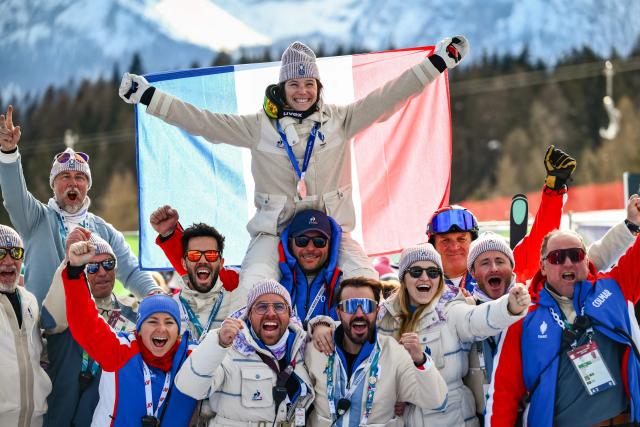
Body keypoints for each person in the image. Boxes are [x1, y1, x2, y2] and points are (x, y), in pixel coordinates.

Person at [119, 36, 470, 310]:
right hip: (274, 232)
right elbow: (204, 122)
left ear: (318, 87)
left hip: (331, 230)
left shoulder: (340, 121)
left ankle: (374, 355)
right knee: (252, 289)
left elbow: (388, 96)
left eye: (309, 84)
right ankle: (243, 361)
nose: (302, 91)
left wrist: (437, 62)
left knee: (365, 282)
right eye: (294, 84)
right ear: (282, 88)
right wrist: (150, 97)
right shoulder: (260, 126)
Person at [0, 105, 160, 304]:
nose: (73, 183)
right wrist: (8, 153)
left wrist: (160, 300)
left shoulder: (104, 231)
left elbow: (132, 272)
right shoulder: (36, 219)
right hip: (44, 330)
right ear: (54, 185)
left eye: (80, 177)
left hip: (89, 328)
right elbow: (15, 197)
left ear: (87, 186)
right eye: (65, 176)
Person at [486, 222, 640, 426]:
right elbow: (504, 393)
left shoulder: (614, 287)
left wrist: (634, 221)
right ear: (542, 266)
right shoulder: (523, 317)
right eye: (557, 257)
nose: (568, 263)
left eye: (575, 255)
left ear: (586, 260)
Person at [372, 244, 530, 426]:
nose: (425, 277)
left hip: (454, 418)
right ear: (403, 278)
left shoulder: (450, 310)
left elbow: (478, 318)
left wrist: (509, 306)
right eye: (416, 271)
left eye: (433, 272)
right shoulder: (384, 319)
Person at [62, 238, 197, 426]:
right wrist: (75, 271)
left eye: (169, 322)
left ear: (178, 331)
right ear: (139, 329)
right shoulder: (120, 351)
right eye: (152, 321)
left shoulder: (187, 356)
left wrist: (222, 341)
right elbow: (83, 321)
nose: (161, 329)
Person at [426, 145, 578, 293]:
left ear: (473, 243)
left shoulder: (498, 272)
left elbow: (538, 245)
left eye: (461, 239)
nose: (454, 247)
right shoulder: (420, 282)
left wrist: (554, 189)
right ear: (433, 246)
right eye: (445, 240)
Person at [305, 276, 448, 426]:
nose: (359, 313)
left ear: (377, 310)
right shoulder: (316, 349)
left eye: (367, 306)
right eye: (350, 306)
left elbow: (437, 401)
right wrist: (318, 324)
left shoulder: (395, 354)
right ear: (339, 312)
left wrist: (421, 361)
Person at [175, 279, 314, 425]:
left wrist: (321, 324)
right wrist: (218, 344)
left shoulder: (302, 346)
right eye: (261, 307)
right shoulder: (229, 346)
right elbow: (190, 388)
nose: (271, 313)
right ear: (249, 314)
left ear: (289, 313)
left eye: (279, 307)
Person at [41, 231, 137, 427]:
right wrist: (70, 263)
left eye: (108, 264)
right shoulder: (64, 310)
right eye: (92, 266)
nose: (102, 272)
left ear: (116, 270)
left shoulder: (135, 316)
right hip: (59, 416)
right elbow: (49, 321)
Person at [150, 205, 238, 341]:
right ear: (183, 263)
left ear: (221, 263)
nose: (203, 260)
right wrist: (169, 234)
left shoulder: (238, 291)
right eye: (194, 255)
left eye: (211, 255)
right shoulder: (166, 309)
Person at [0, 224, 51, 427]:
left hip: (35, 418)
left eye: (16, 252)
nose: (9, 261)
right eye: (1, 253)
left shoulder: (30, 300)